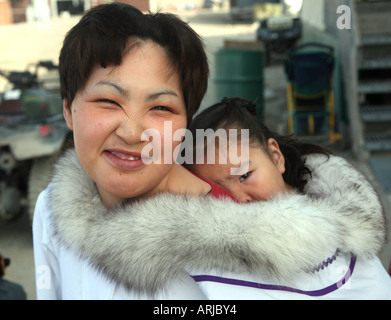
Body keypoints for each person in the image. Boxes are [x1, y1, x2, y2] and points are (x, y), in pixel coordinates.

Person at [33, 3, 389, 299]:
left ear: (184, 126)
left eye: (160, 108)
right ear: (68, 108)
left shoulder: (266, 244)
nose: (131, 132)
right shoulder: (52, 211)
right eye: (108, 101)